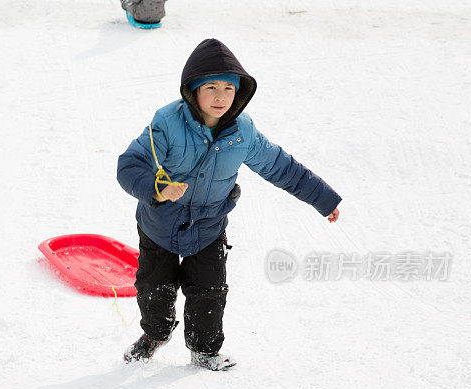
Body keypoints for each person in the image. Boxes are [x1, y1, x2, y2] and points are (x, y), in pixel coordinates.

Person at [116, 38, 342, 371]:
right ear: (192, 91)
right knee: (154, 289)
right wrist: (157, 188)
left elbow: (282, 167)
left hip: (208, 227)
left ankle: (204, 349)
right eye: (211, 87)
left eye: (228, 88)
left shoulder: (243, 132)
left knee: (209, 291)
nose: (221, 96)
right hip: (160, 225)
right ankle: (154, 335)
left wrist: (322, 199)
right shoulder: (166, 123)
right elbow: (130, 164)